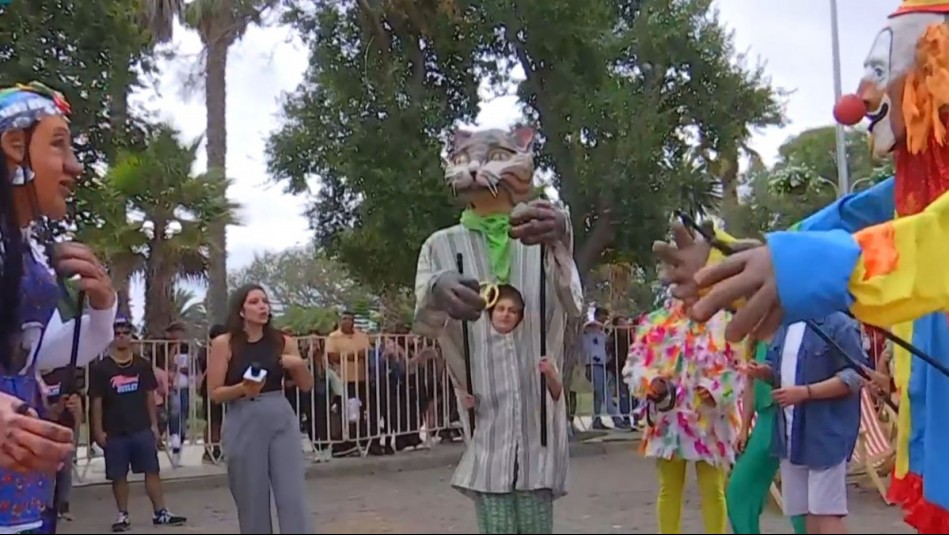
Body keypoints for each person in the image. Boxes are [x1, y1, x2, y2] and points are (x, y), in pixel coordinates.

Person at [414, 126, 583, 534]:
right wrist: (437, 289)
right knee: (496, 517)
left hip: (537, 411)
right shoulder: (441, 245)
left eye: (490, 157)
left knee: (535, 512)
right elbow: (425, 319)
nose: (473, 167)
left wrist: (562, 237)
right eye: (463, 158)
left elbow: (573, 301)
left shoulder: (542, 231)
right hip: (484, 409)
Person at [0, 82, 118, 534]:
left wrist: (104, 306)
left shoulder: (26, 253)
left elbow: (36, 355)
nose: (75, 166)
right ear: (14, 145)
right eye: (58, 144)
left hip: (27, 501)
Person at [624, 301, 742, 535]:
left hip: (711, 423)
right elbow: (634, 365)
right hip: (670, 421)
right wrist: (651, 382)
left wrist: (717, 390)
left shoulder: (724, 324)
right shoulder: (656, 322)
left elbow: (739, 369)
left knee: (713, 490)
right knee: (669, 488)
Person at [745, 314, 866, 534]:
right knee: (806, 513)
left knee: (827, 514)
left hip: (826, 434)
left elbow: (855, 376)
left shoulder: (840, 325)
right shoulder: (787, 324)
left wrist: (806, 392)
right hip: (791, 436)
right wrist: (765, 372)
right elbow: (784, 372)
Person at [207, 284, 313, 534]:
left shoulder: (283, 341)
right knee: (251, 497)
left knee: (292, 494)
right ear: (241, 310)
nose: (262, 306)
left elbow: (306, 385)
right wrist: (243, 388)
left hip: (279, 414)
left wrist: (297, 364)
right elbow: (214, 393)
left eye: (265, 301)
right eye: (254, 302)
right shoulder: (225, 343)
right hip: (243, 416)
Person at [89, 318, 186, 532]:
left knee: (152, 470)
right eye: (117, 333)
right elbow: (96, 401)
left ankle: (160, 511)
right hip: (115, 430)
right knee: (118, 475)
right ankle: (122, 514)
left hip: (141, 427)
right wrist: (97, 430)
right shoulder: (101, 369)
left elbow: (149, 396)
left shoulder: (142, 365)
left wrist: (153, 425)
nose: (122, 336)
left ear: (132, 336)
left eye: (125, 332)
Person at [324, 311, 377, 456]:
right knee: (345, 413)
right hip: (343, 382)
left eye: (350, 319)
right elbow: (332, 356)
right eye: (344, 319)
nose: (347, 321)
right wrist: (353, 355)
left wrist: (347, 356)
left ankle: (366, 442)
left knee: (363, 412)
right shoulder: (333, 337)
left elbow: (366, 353)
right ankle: (345, 445)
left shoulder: (361, 336)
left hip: (361, 380)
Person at [38, 365, 82, 525]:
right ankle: (46, 508)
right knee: (47, 473)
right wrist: (56, 409)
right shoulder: (33, 378)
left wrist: (75, 435)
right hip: (42, 431)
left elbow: (77, 409)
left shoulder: (65, 374)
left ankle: (64, 507)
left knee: (65, 471)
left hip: (64, 430)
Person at [196, 324, 226, 463]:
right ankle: (210, 450)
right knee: (212, 421)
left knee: (219, 421)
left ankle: (218, 448)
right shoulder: (206, 351)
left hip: (222, 388)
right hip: (210, 388)